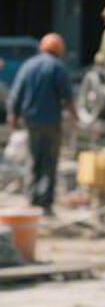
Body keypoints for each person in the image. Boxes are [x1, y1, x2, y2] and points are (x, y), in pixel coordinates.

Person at [5, 33, 74, 215]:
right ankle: (46, 203)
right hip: (52, 122)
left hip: (31, 121)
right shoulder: (57, 67)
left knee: (34, 159)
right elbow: (67, 96)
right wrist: (75, 116)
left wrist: (13, 116)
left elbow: (16, 93)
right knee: (49, 162)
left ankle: (32, 199)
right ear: (59, 50)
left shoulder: (28, 66)